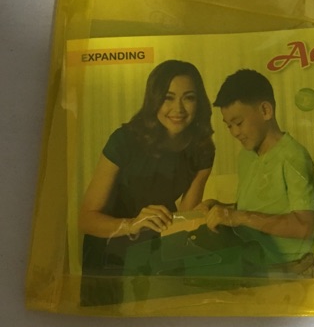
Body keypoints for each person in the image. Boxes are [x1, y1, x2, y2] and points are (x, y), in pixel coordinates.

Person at [78, 60, 215, 305]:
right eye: (168, 98)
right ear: (154, 100)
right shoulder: (124, 140)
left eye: (189, 98)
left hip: (156, 242)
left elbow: (185, 217)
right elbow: (86, 219)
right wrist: (131, 225)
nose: (178, 108)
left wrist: (205, 212)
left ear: (199, 103)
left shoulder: (203, 149)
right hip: (109, 245)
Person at [202, 69, 314, 278]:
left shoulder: (293, 156)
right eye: (229, 126)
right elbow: (260, 207)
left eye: (238, 123)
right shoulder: (246, 156)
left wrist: (238, 216)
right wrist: (221, 208)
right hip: (255, 269)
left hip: (293, 272)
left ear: (266, 110)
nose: (234, 132)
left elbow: (304, 227)